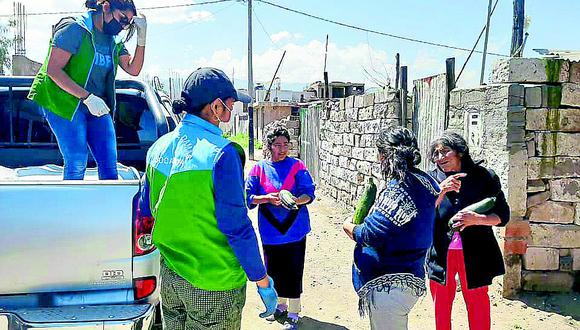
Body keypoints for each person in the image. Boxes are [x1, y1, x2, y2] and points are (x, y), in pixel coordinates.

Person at [139, 67, 278, 329]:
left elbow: (147, 211)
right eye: (230, 105)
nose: (232, 111)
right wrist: (262, 280)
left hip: (171, 277)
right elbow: (236, 227)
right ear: (215, 107)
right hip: (214, 283)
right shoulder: (221, 154)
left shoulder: (157, 148)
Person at [28, 0, 147, 180]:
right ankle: (73, 206)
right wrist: (87, 97)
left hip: (96, 104)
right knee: (77, 160)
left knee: (109, 163)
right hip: (63, 101)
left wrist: (142, 38)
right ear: (106, 7)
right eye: (122, 19)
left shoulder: (113, 40)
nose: (123, 27)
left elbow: (133, 68)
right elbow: (52, 70)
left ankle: (108, 206)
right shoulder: (76, 28)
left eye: (127, 23)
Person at [342, 126, 440, 330]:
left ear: (384, 155)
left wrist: (349, 226)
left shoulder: (399, 189)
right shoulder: (425, 180)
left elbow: (368, 234)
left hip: (390, 287)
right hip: (407, 279)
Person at [426, 132, 510, 330]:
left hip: (476, 252)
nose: (440, 158)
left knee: (478, 302)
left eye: (445, 152)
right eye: (436, 154)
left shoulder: (484, 177)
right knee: (441, 304)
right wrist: (441, 190)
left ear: (460, 152)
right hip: (441, 251)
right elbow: (422, 214)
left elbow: (502, 215)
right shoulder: (431, 179)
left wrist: (478, 219)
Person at [245, 126, 316, 330]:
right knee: (274, 270)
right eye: (277, 145)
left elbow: (309, 193)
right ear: (269, 146)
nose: (283, 149)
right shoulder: (259, 169)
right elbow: (248, 196)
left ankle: (294, 310)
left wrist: (295, 200)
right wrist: (266, 198)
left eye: (286, 144)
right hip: (270, 231)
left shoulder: (297, 166)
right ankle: (280, 306)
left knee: (293, 270)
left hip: (295, 230)